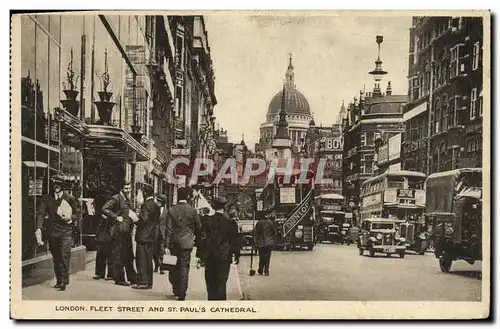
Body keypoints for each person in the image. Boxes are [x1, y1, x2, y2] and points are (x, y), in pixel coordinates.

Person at [35, 177, 81, 291]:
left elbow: (78, 212)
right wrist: (39, 228)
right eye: (55, 184)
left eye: (59, 184)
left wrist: (71, 217)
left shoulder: (69, 198)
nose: (56, 186)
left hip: (66, 230)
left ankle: (64, 281)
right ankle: (59, 279)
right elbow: (41, 213)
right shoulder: (47, 198)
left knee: (64, 254)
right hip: (52, 231)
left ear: (63, 185)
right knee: (56, 256)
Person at [197, 196, 240, 300]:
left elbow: (202, 240)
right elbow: (234, 241)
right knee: (222, 284)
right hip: (224, 257)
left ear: (213, 206)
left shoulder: (207, 222)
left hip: (210, 257)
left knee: (211, 285)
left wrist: (200, 256)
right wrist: (236, 254)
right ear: (224, 207)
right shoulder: (230, 223)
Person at [164, 187, 201, 301]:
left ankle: (175, 289)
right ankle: (182, 293)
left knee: (174, 267)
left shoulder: (171, 210)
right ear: (188, 197)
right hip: (186, 243)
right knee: (184, 267)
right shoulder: (193, 211)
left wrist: (166, 245)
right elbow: (199, 226)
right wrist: (192, 234)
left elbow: (168, 229)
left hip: (174, 242)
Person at [102, 181, 137, 286]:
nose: (128, 190)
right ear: (122, 189)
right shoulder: (116, 198)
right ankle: (119, 279)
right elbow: (104, 209)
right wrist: (116, 217)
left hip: (127, 232)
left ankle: (133, 278)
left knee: (129, 255)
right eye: (126, 188)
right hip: (118, 231)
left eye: (129, 188)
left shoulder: (127, 199)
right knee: (119, 255)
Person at [132, 185, 161, 290]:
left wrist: (136, 220)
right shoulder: (156, 205)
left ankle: (142, 282)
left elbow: (143, 220)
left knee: (141, 260)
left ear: (144, 193)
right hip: (152, 236)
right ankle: (149, 282)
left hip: (143, 236)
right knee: (149, 260)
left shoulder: (146, 205)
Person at [154, 194, 167, 275]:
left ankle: (162, 267)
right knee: (155, 250)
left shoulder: (167, 211)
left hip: (163, 233)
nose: (158, 203)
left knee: (162, 250)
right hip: (155, 232)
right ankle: (156, 265)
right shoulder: (154, 210)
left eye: (159, 201)